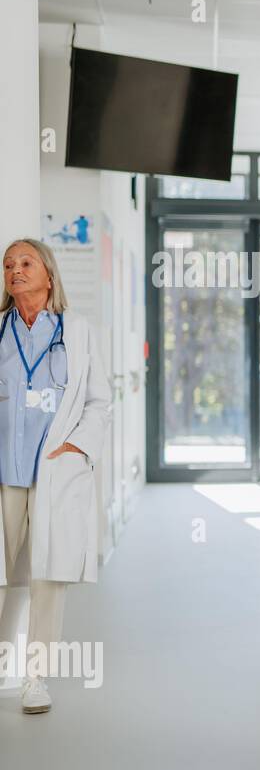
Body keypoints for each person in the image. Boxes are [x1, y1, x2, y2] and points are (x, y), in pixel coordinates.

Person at [0, 239, 111, 714]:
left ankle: (36, 678)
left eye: (25, 263)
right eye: (8, 265)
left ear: (48, 273)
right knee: (3, 578)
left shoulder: (78, 330)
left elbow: (99, 401)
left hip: (52, 472)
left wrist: (76, 446)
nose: (15, 270)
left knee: (47, 579)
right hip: (5, 472)